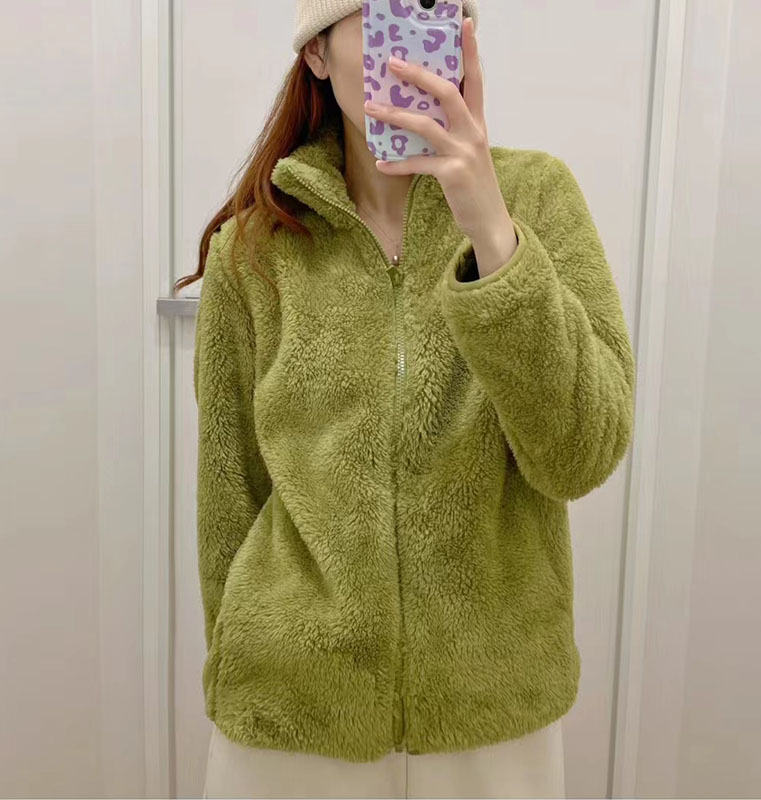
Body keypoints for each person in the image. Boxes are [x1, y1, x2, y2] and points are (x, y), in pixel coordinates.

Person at [177, 1, 636, 797]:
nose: (413, 44)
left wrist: (492, 233)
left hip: (491, 717)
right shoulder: (252, 249)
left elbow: (580, 455)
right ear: (317, 54)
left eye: (435, 11)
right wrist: (244, 672)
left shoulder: (536, 199)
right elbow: (229, 494)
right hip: (292, 718)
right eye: (382, 14)